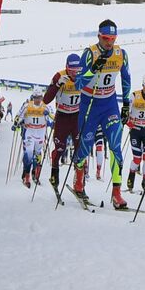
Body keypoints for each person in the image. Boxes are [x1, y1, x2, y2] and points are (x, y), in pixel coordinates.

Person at [67, 19, 132, 210]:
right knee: (85, 147)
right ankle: (79, 181)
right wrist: (92, 70)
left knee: (115, 146)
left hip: (110, 104)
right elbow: (78, 84)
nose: (109, 42)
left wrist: (126, 104)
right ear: (98, 36)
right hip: (90, 104)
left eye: (112, 38)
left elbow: (126, 78)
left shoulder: (121, 54)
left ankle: (117, 193)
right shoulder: (89, 54)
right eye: (105, 38)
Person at [43, 53, 85, 192]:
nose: (75, 74)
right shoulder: (59, 76)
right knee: (60, 148)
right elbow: (46, 100)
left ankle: (79, 183)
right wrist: (57, 84)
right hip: (62, 117)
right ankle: (54, 172)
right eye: (72, 70)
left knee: (80, 149)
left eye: (77, 70)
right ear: (66, 68)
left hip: (77, 117)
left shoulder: (83, 76)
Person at [13, 90, 50, 188]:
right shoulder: (27, 105)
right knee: (28, 152)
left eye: (39, 97)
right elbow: (18, 115)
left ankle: (36, 172)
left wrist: (49, 118)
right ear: (33, 97)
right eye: (36, 98)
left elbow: (53, 117)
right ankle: (26, 175)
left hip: (41, 132)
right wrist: (16, 123)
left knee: (38, 152)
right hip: (29, 131)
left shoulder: (46, 106)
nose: (37, 100)